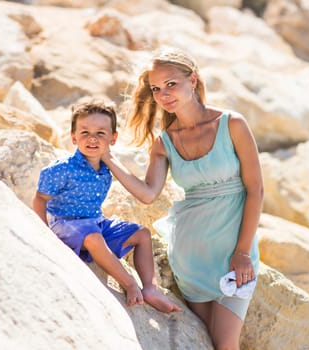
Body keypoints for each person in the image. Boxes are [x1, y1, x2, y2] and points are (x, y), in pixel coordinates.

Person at [102, 47, 263, 349]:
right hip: (191, 257)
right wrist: (109, 160)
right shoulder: (165, 142)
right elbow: (148, 194)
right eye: (156, 89)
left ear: (193, 80)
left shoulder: (233, 124)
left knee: (226, 344)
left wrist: (242, 252)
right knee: (206, 342)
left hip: (233, 252)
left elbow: (256, 190)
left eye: (171, 84)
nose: (164, 94)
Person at [32, 99, 181, 313]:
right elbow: (40, 199)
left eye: (101, 133)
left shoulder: (105, 167)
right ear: (73, 137)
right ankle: (128, 282)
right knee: (94, 238)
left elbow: (141, 190)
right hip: (65, 223)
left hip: (95, 222)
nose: (92, 138)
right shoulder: (62, 169)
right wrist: (43, 231)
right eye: (84, 132)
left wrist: (110, 159)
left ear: (113, 138)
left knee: (142, 234)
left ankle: (150, 287)